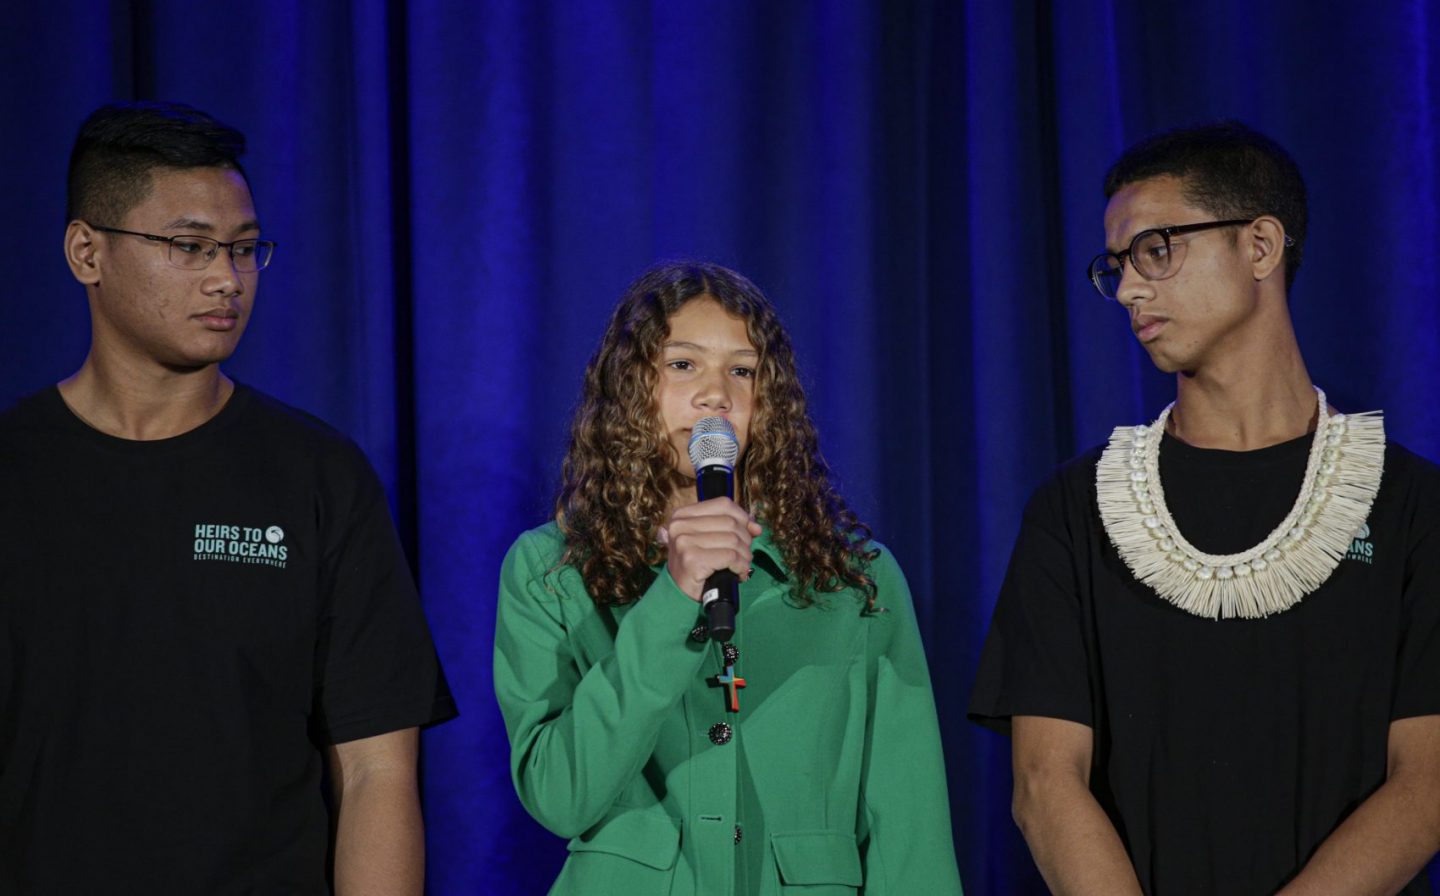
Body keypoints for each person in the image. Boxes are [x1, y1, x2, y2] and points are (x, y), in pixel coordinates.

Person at [970, 121, 1440, 894]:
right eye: (1116, 265)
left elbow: (1424, 789)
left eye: (1158, 248)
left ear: (1260, 247)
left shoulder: (1414, 508)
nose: (1127, 289)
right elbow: (1044, 784)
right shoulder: (1074, 510)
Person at [0, 102, 456, 893]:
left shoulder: (319, 476)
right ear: (86, 252)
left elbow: (377, 771)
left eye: (245, 251)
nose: (227, 279)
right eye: (189, 246)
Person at [493, 261, 963, 895]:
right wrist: (671, 599)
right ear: (630, 387)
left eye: (742, 372)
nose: (716, 394)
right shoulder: (550, 568)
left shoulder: (856, 579)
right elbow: (559, 796)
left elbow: (910, 826)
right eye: (682, 365)